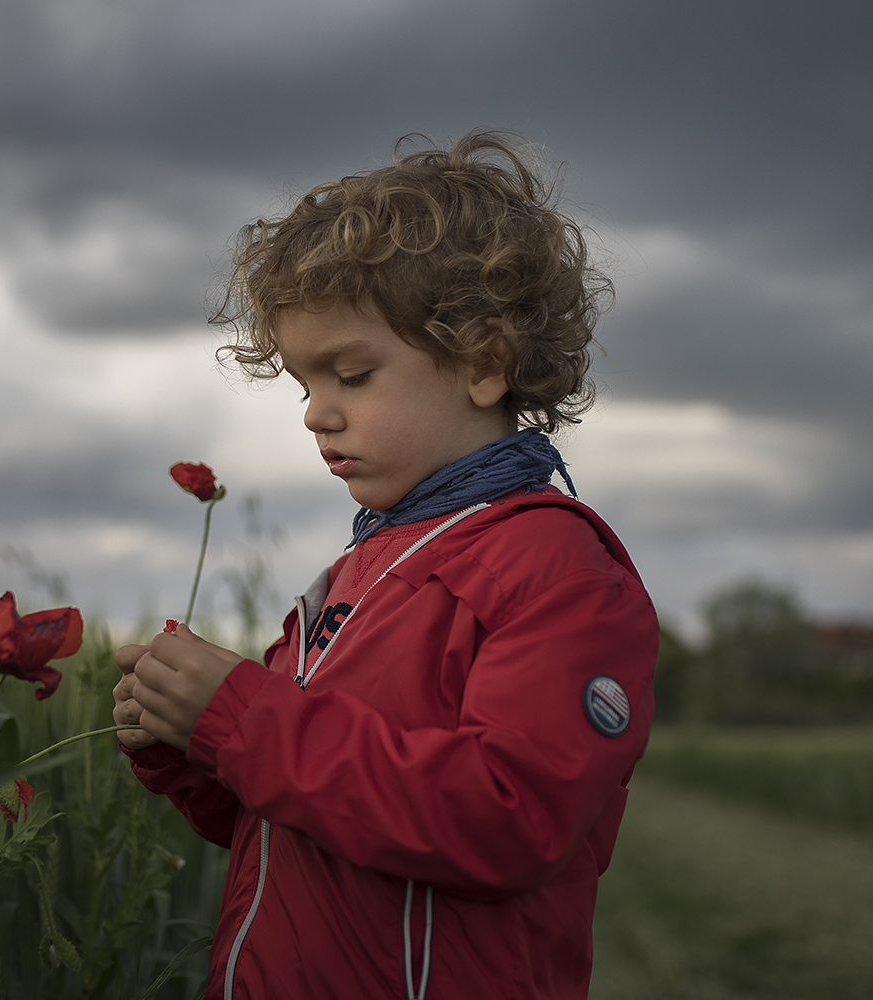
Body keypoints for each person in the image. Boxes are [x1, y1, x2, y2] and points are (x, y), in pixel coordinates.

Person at [112, 131, 657, 1000]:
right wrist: (187, 745)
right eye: (303, 385)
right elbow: (291, 816)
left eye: (353, 375)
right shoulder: (360, 571)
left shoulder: (557, 571)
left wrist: (245, 721)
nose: (315, 415)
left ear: (484, 363)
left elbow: (509, 819)